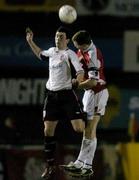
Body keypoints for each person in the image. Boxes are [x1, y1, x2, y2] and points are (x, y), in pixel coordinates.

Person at [26, 26, 85, 179]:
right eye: (56, 36)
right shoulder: (52, 52)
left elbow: (80, 72)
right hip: (52, 96)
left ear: (67, 40)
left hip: (67, 95)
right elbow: (40, 54)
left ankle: (90, 137)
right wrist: (30, 41)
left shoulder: (70, 54)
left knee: (79, 128)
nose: (57, 39)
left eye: (61, 36)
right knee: (47, 131)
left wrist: (77, 82)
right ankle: (50, 165)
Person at [63, 30, 109, 177]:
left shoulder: (93, 55)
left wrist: (75, 86)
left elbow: (93, 81)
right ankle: (82, 163)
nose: (78, 49)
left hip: (98, 92)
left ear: (85, 44)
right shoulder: (82, 50)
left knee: (90, 128)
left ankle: (86, 164)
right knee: (88, 130)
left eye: (79, 47)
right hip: (89, 94)